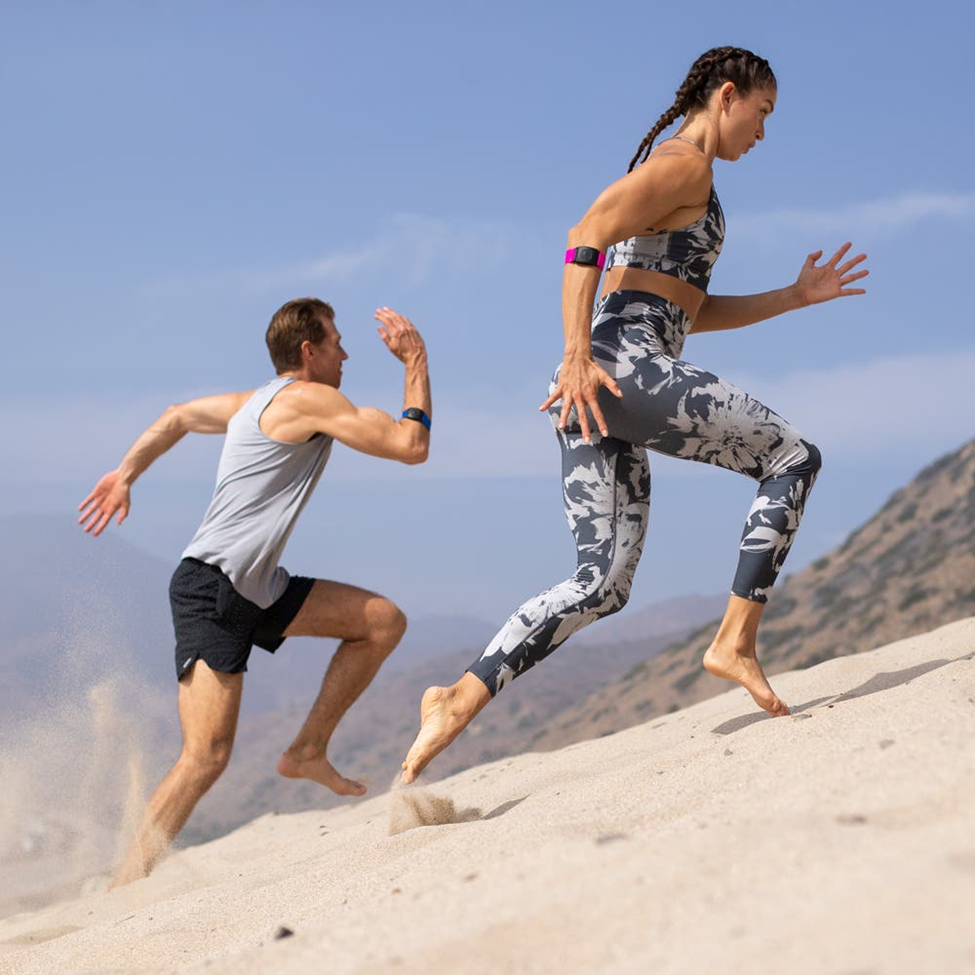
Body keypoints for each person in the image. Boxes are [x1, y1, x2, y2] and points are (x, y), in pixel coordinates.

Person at [401, 46, 868, 783]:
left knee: (600, 583)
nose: (763, 132)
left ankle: (457, 695)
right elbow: (583, 233)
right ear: (726, 96)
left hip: (603, 377)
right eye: (762, 112)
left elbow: (686, 307)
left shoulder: (681, 171)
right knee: (792, 458)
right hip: (616, 369)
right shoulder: (685, 165)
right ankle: (735, 642)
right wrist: (577, 353)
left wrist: (790, 296)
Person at [78, 299, 431, 884]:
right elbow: (410, 445)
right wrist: (414, 361)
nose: (347, 354)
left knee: (381, 622)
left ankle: (307, 751)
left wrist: (126, 472)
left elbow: (176, 416)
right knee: (205, 758)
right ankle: (122, 889)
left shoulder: (254, 403)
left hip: (254, 587)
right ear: (308, 352)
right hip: (212, 588)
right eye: (337, 342)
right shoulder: (308, 399)